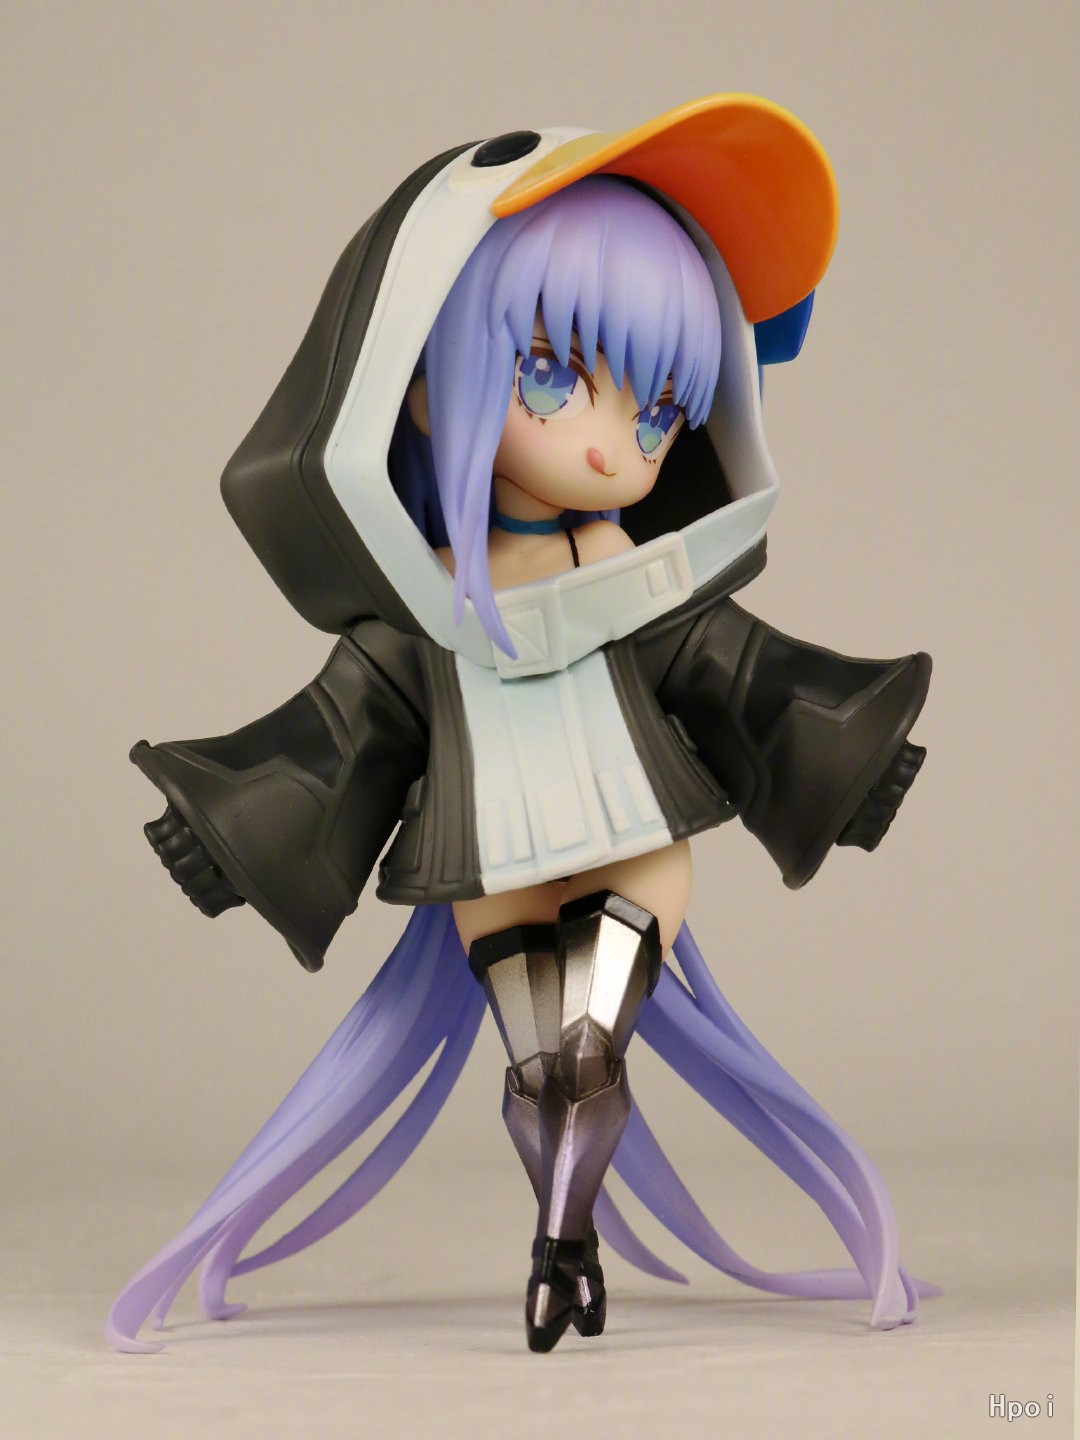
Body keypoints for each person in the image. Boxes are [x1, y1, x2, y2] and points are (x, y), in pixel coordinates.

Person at [108, 96, 934, 1355]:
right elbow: (335, 741)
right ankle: (569, 1244)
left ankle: (560, 1245)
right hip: (493, 857)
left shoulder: (642, 583)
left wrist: (850, 758)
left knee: (587, 1052)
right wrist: (232, 830)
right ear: (421, 389)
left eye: (658, 411)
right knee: (545, 1070)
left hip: (635, 843)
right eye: (555, 373)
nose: (612, 447)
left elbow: (752, 680)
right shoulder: (426, 612)